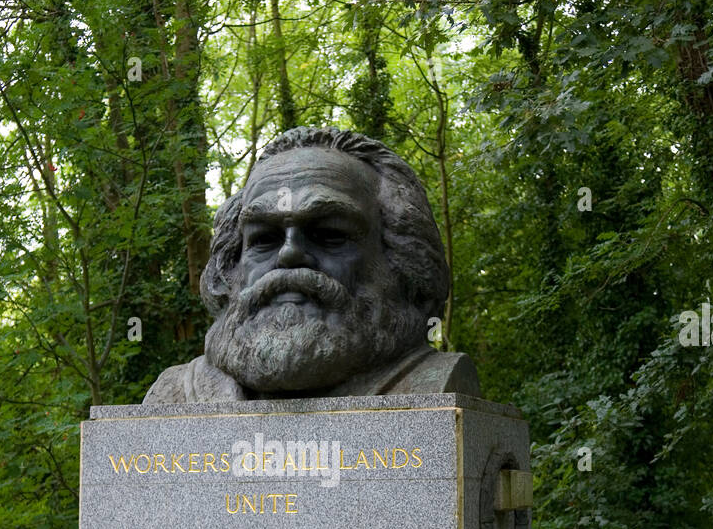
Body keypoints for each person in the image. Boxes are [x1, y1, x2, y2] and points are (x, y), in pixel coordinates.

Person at [144, 126, 479, 404]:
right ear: (231, 266)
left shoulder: (432, 390)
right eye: (264, 238)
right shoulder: (175, 395)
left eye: (329, 235)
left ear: (402, 260)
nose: (290, 254)